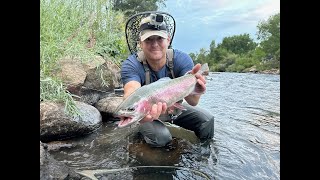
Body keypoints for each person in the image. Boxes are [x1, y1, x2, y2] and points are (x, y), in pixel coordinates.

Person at [120, 12, 214, 147]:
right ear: (140, 43)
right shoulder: (132, 64)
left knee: (207, 120)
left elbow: (193, 102)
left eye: (159, 38)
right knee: (162, 138)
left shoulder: (182, 59)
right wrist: (138, 113)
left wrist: (197, 87)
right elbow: (131, 92)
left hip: (175, 110)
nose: (155, 44)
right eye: (148, 39)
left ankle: (204, 157)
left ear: (168, 40)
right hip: (148, 116)